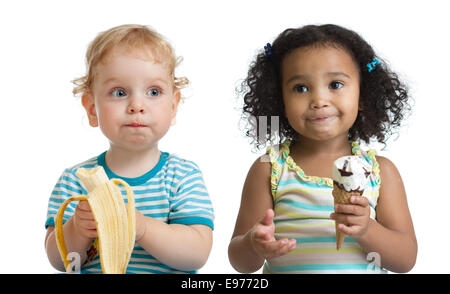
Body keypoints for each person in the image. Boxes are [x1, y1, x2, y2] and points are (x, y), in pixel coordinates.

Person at [228, 24, 417, 274]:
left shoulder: (380, 171)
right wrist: (254, 244)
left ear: (363, 95)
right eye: (301, 88)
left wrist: (366, 229)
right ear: (279, 99)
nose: (319, 100)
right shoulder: (270, 168)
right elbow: (240, 262)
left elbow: (405, 260)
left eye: (336, 84)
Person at [44, 24, 214, 274]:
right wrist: (77, 230)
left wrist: (142, 227)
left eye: (153, 92)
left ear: (173, 106)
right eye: (119, 92)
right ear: (92, 109)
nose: (137, 105)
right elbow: (60, 262)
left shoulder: (183, 176)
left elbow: (197, 254)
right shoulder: (74, 180)